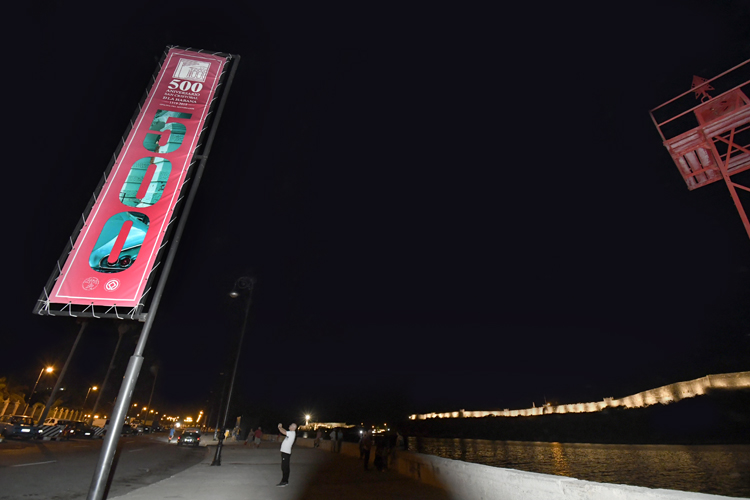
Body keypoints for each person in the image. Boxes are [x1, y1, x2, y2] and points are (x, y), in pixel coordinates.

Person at [277, 422, 297, 487]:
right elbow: (285, 431)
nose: (289, 426)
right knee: (285, 467)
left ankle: (284, 481)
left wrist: (280, 427)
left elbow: (283, 432)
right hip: (285, 452)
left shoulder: (292, 433)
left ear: (293, 428)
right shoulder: (290, 433)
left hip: (286, 453)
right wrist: (281, 428)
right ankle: (285, 481)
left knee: (285, 467)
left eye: (291, 425)